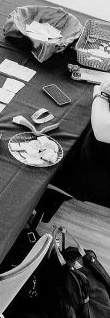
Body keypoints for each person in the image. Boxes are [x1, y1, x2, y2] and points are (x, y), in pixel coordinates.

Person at [36, 79, 110, 220]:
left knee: (38, 166)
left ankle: (35, 212)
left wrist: (102, 96)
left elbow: (103, 130)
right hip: (97, 147)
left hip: (99, 173)